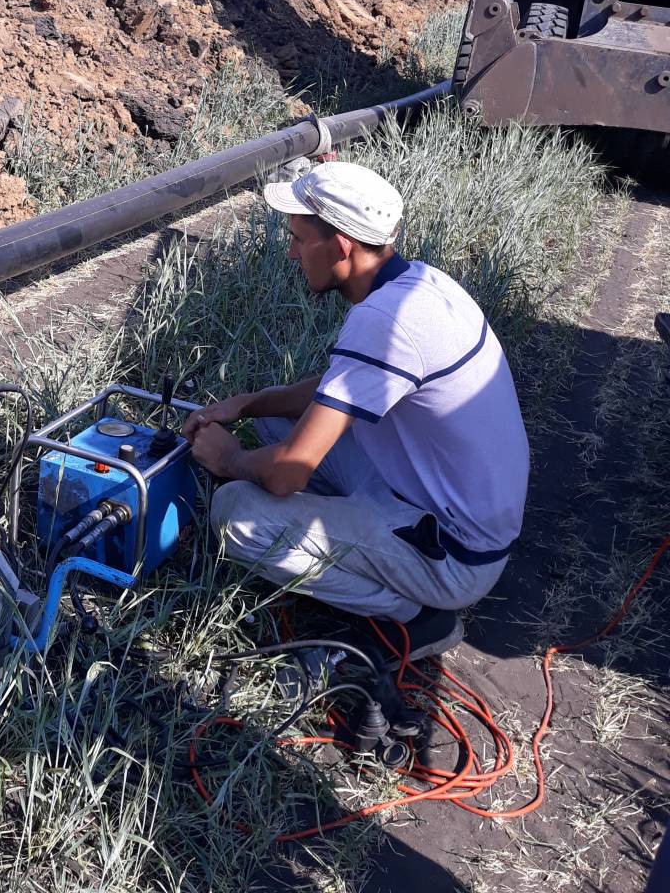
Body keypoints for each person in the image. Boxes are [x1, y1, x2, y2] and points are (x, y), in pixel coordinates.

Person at [186, 161, 530, 660]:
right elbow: (338, 386)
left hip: (454, 554)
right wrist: (245, 404)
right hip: (443, 500)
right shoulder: (420, 283)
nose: (291, 253)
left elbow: (284, 476)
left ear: (342, 245)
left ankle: (418, 619)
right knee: (273, 420)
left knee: (236, 514)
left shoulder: (384, 321)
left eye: (300, 240)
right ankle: (355, 524)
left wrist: (229, 460)